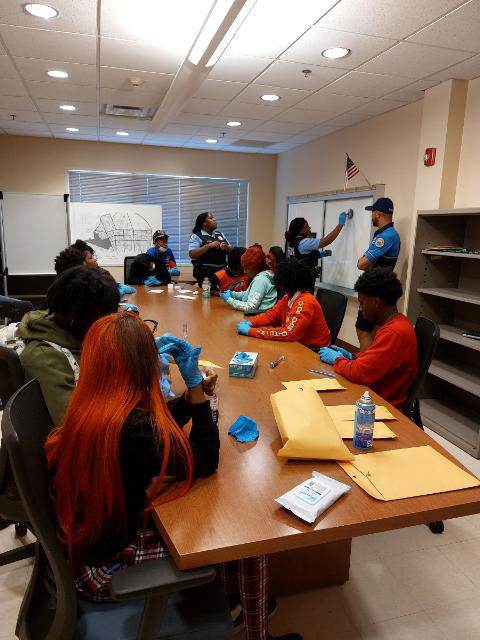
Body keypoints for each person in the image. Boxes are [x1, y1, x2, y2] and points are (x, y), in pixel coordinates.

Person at [45, 313, 301, 640]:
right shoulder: (132, 431)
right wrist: (195, 388)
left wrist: (187, 400)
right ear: (140, 365)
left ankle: (232, 598)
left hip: (89, 547)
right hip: (107, 573)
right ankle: (256, 634)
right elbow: (205, 458)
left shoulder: (93, 406)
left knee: (216, 519)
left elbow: (156, 432)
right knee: (247, 537)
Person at [18, 265, 120, 425]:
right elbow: (73, 425)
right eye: (102, 317)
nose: (106, 325)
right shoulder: (45, 358)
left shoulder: (73, 333)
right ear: (73, 314)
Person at [319, 267, 417, 410]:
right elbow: (376, 361)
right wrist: (352, 356)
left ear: (376, 302)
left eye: (362, 303)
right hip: (373, 396)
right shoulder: (395, 324)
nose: (360, 309)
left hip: (381, 406)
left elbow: (359, 373)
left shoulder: (393, 333)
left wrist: (337, 359)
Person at [236, 258, 330, 350]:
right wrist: (251, 322)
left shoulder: (305, 302)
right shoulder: (288, 298)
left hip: (314, 351)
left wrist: (250, 331)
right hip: (298, 344)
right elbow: (271, 316)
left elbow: (288, 333)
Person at [356, 197, 401, 351]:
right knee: (371, 332)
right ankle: (366, 365)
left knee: (364, 330)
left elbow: (362, 263)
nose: (371, 216)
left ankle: (363, 368)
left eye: (372, 213)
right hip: (376, 292)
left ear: (378, 214)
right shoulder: (386, 234)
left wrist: (361, 260)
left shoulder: (386, 236)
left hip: (376, 294)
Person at [221, 245, 276, 315]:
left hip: (258, 316)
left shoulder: (260, 281)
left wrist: (229, 300)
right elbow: (249, 294)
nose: (244, 272)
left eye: (246, 268)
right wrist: (233, 294)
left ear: (254, 268)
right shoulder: (262, 276)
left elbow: (250, 307)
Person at [189, 211, 231, 287]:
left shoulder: (220, 234)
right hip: (206, 274)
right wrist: (208, 246)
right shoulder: (196, 236)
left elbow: (232, 251)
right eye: (211, 218)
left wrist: (227, 247)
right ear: (204, 223)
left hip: (222, 272)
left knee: (222, 294)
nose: (214, 219)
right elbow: (192, 254)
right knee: (208, 296)